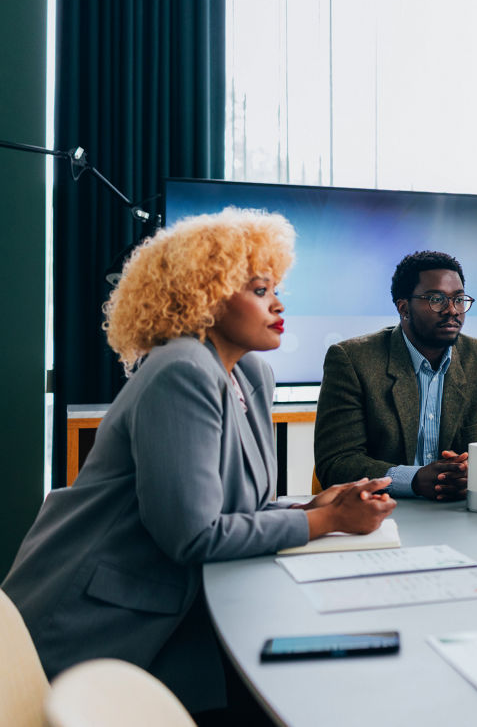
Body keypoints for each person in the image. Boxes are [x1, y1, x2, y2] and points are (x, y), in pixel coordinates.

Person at [2, 208, 395, 715]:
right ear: (204, 296)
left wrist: (307, 508)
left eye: (276, 289)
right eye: (259, 290)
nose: (277, 304)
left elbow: (233, 508)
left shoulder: (249, 375)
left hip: (175, 616)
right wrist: (327, 522)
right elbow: (192, 535)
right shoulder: (181, 369)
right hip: (99, 623)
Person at [314, 250, 477, 499]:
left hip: (461, 509)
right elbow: (337, 463)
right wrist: (413, 479)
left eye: (458, 299)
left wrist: (467, 474)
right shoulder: (353, 360)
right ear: (404, 308)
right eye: (436, 299)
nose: (452, 310)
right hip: (381, 508)